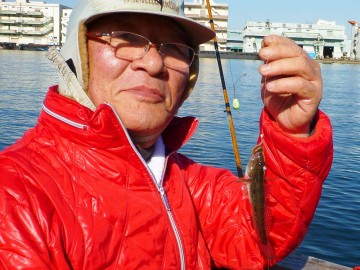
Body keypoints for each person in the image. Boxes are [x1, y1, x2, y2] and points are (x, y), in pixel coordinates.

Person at [0, 0, 333, 269]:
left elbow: (259, 242)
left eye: (173, 48)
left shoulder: (193, 183)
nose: (155, 63)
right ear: (78, 55)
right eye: (126, 38)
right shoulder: (15, 193)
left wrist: (291, 134)